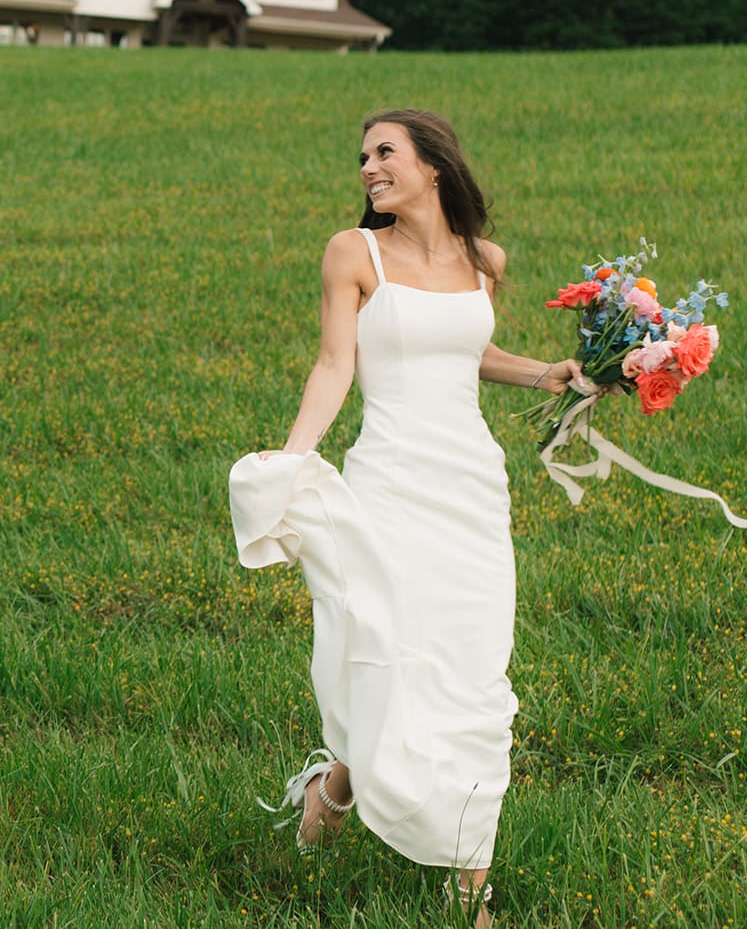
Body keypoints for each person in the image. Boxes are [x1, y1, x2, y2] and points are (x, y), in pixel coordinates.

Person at [228, 109, 589, 926]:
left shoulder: (483, 260)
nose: (367, 166)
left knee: (472, 669)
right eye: (362, 155)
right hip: (388, 481)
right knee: (387, 645)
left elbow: (468, 352)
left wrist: (548, 373)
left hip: (470, 486)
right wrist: (290, 463)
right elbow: (334, 363)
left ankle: (470, 891)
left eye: (384, 152)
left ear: (433, 166)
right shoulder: (353, 253)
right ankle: (340, 782)